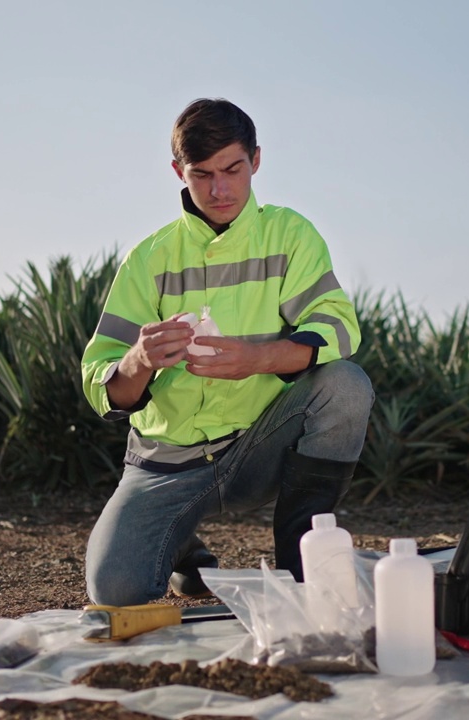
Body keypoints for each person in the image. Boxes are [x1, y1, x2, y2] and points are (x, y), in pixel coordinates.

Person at [81, 98, 374, 607]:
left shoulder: (291, 235)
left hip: (258, 447)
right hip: (165, 463)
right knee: (116, 591)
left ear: (256, 161)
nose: (219, 189)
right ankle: (179, 547)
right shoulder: (147, 259)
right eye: (202, 175)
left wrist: (258, 359)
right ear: (178, 171)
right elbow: (101, 384)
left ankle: (301, 571)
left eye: (233, 169)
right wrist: (139, 359)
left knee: (346, 385)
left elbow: (338, 328)